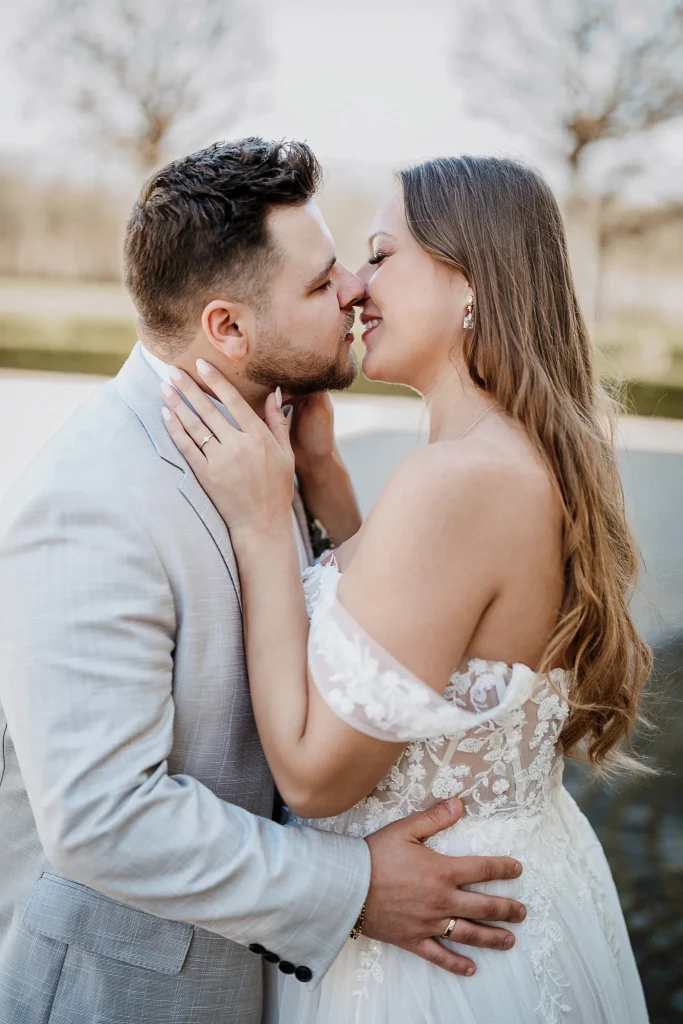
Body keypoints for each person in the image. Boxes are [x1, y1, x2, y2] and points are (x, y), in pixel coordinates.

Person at [0, 140, 527, 1024]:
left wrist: (319, 492)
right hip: (130, 994)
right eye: (321, 285)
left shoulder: (265, 431)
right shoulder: (88, 500)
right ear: (228, 329)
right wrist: (355, 886)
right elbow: (102, 818)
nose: (355, 290)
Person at [160, 152, 652, 1022]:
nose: (353, 285)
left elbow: (315, 777)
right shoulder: (513, 455)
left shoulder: (455, 481)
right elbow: (415, 641)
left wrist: (264, 520)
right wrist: (322, 478)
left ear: (469, 284)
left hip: (432, 958)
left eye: (381, 255)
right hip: (517, 897)